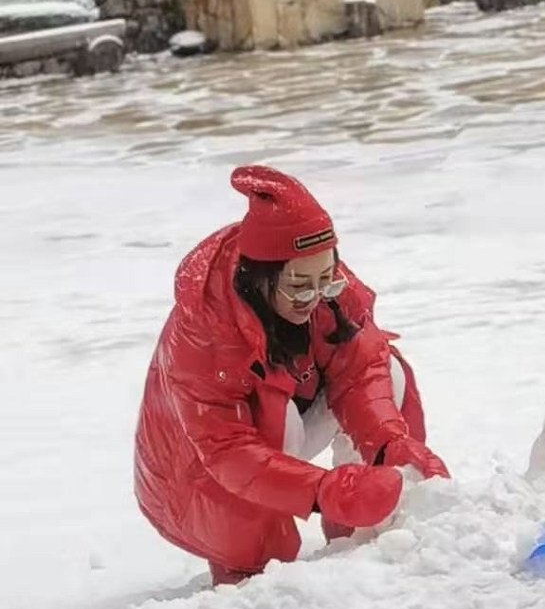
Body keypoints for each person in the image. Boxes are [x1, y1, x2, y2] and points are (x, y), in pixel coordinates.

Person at [135, 164, 448, 586]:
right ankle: (251, 572)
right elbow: (228, 450)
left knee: (389, 370)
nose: (315, 297)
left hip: (279, 425)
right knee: (273, 422)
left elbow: (360, 370)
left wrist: (391, 444)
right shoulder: (204, 331)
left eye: (327, 280)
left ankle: (359, 535)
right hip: (197, 475)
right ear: (259, 278)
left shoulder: (325, 287)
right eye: (299, 285)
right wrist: (324, 492)